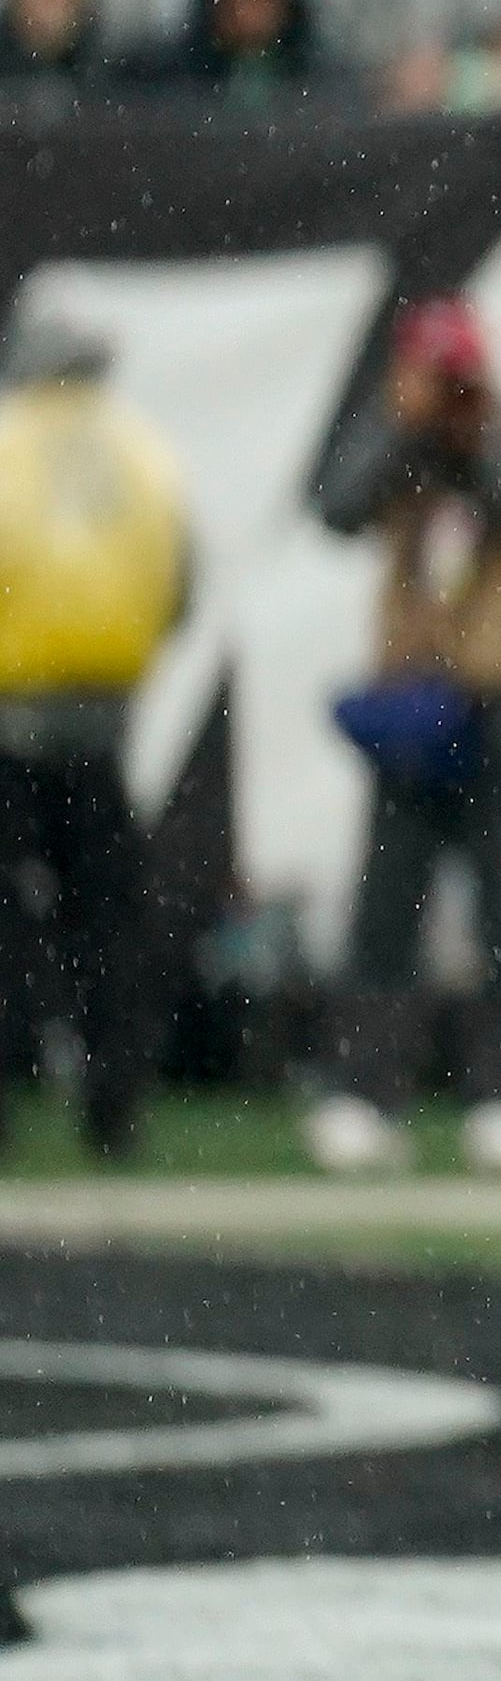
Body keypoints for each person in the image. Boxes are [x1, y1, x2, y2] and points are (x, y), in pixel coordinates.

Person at [302, 295, 501, 1183]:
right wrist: (397, 431)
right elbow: (332, 507)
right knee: (385, 909)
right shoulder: (401, 448)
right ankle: (362, 1095)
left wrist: (486, 452)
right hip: (417, 707)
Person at [0, 316, 183, 1161]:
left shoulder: (6, 442)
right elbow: (179, 582)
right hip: (104, 717)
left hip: (9, 712)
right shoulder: (140, 452)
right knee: (106, 919)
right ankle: (116, 1111)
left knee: (9, 918)